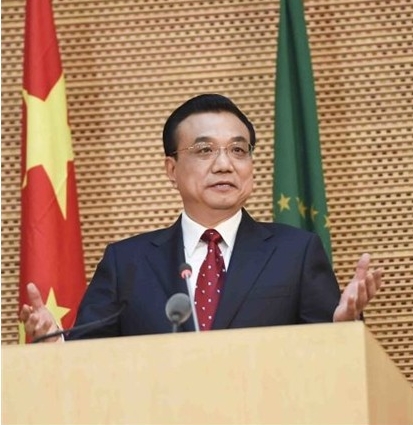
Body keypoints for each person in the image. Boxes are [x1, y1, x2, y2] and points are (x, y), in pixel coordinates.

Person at [20, 94, 382, 342]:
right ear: (171, 168)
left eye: (238, 150)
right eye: (205, 150)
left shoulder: (297, 252)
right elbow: (89, 359)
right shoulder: (126, 263)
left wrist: (343, 330)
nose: (224, 164)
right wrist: (57, 344)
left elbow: (329, 359)